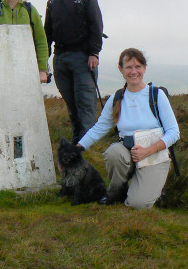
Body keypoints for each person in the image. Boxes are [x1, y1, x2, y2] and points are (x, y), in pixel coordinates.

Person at [77, 48, 180, 209]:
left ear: (144, 68)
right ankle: (116, 192)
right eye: (129, 67)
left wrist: (148, 150)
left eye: (138, 66)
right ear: (121, 69)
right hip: (128, 152)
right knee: (113, 153)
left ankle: (152, 188)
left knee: (137, 204)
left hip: (154, 156)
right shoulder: (117, 98)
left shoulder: (157, 95)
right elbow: (99, 128)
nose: (134, 71)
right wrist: (76, 149)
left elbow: (174, 132)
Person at [43, 0, 104, 144]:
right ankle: (78, 139)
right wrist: (43, 60)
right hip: (60, 57)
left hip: (83, 57)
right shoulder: (52, 2)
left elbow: (96, 26)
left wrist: (94, 53)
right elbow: (47, 32)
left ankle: (86, 144)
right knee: (71, 102)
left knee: (85, 102)